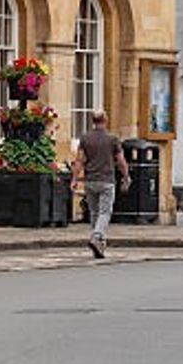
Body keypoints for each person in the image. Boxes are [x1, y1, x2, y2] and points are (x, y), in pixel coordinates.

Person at [72, 110, 130, 258]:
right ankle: (97, 236)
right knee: (105, 212)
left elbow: (79, 160)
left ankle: (99, 244)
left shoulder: (85, 138)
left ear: (93, 121)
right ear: (106, 120)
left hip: (90, 180)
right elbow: (121, 161)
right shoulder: (112, 139)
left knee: (94, 212)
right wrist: (126, 176)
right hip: (106, 180)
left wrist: (74, 178)